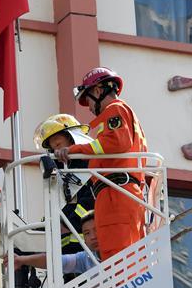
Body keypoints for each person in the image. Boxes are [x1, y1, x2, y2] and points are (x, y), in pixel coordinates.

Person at [55, 67, 148, 261]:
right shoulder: (120, 113)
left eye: (88, 100)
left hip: (116, 192)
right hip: (116, 191)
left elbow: (116, 142)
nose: (89, 107)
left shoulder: (115, 109)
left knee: (117, 257)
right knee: (121, 255)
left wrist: (74, 150)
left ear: (98, 91)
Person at [33, 114, 96, 257]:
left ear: (72, 138)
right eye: (52, 148)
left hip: (85, 243)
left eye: (58, 145)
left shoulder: (90, 164)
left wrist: (67, 224)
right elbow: (66, 205)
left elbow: (90, 200)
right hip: (69, 242)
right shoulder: (66, 171)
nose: (55, 151)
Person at [14, 212, 100, 276]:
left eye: (96, 230)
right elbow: (54, 261)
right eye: (87, 233)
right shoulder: (86, 259)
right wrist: (21, 260)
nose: (93, 237)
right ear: (84, 240)